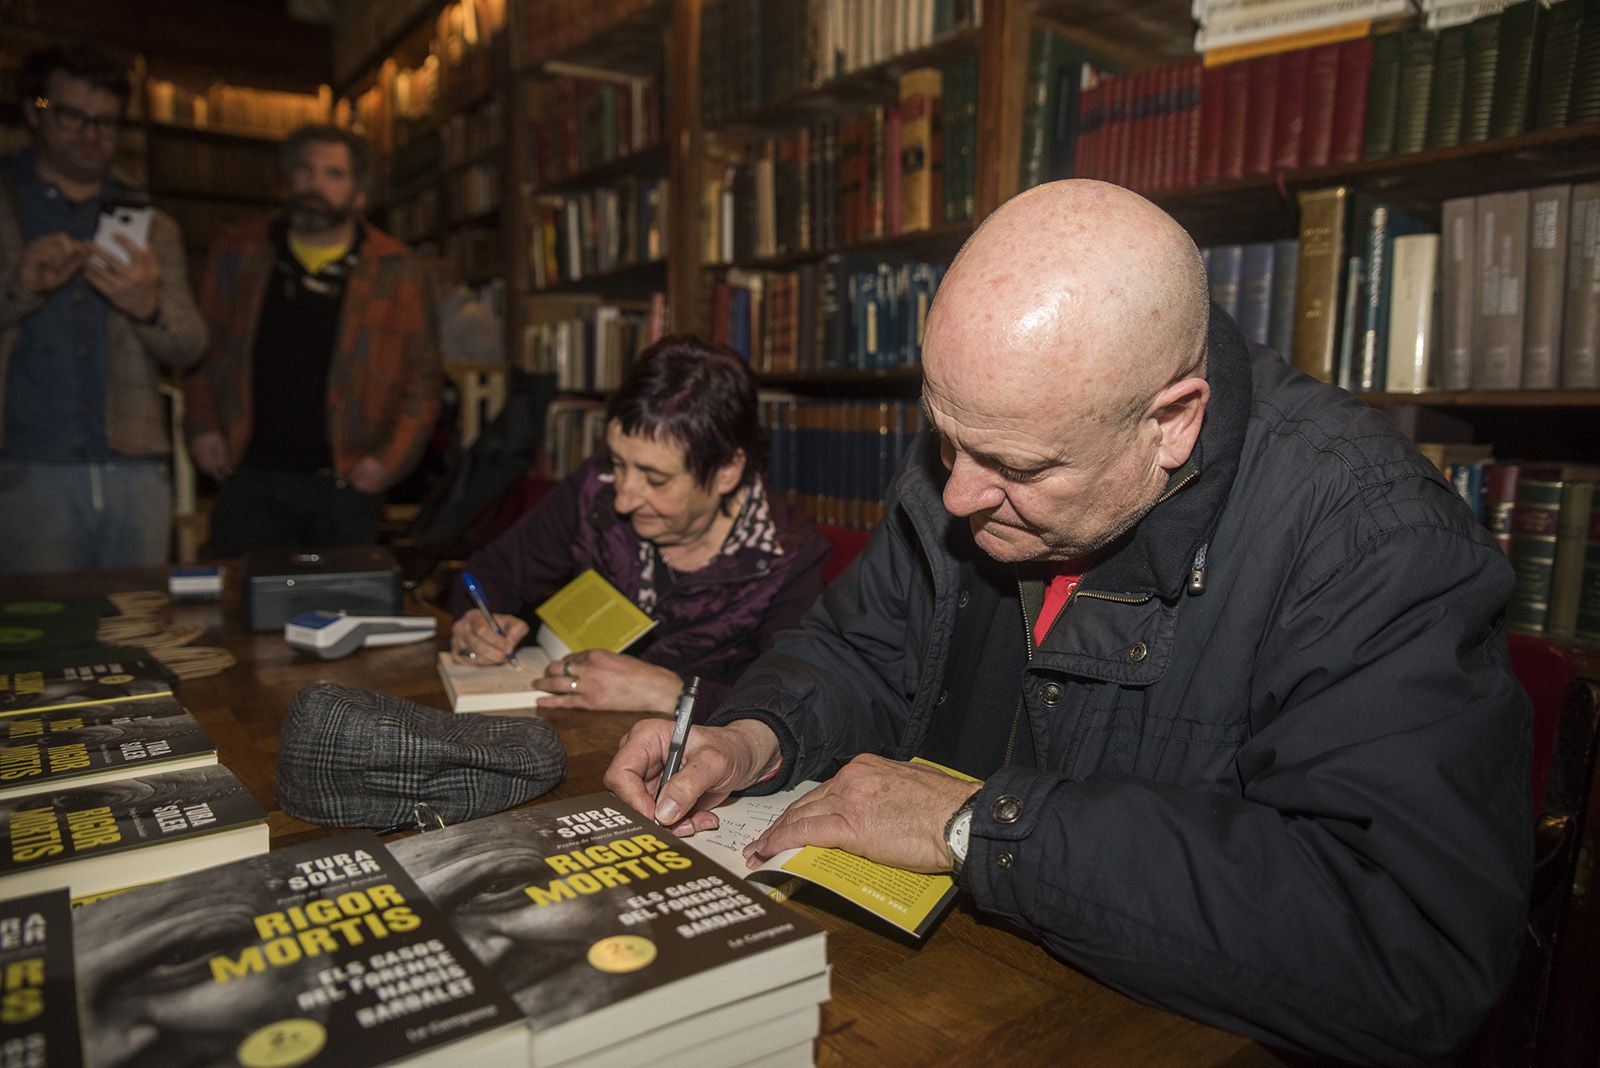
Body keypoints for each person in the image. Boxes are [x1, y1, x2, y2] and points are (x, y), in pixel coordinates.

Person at [606, 181, 1531, 1062]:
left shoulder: (1371, 535)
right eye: (942, 434)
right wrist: (756, 734)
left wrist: (979, 825)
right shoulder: (986, 436)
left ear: (1171, 423)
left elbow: (1411, 945)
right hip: (930, 987)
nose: (961, 493)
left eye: (1019, 466)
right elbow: (858, 647)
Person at [450, 336, 829, 717]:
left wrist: (672, 692)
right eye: (617, 463)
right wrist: (476, 621)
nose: (623, 498)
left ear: (728, 471)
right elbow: (491, 571)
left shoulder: (787, 560)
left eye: (655, 479)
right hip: (573, 730)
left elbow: (792, 708)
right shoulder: (594, 488)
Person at [184, 124, 441, 557]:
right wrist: (203, 425)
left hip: (345, 480)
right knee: (239, 609)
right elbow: (202, 348)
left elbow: (424, 379)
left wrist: (388, 462)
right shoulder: (238, 252)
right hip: (249, 472)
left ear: (359, 194)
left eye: (333, 174)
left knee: (344, 612)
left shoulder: (397, 269)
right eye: (305, 170)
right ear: (287, 180)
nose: (315, 184)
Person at [0, 43, 207, 574]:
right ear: (33, 109)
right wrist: (20, 288)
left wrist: (147, 308)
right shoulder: (6, 206)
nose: (92, 135)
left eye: (107, 123)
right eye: (73, 116)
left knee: (139, 631)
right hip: (24, 463)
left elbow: (189, 343)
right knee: (35, 636)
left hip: (133, 465)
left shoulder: (152, 223)